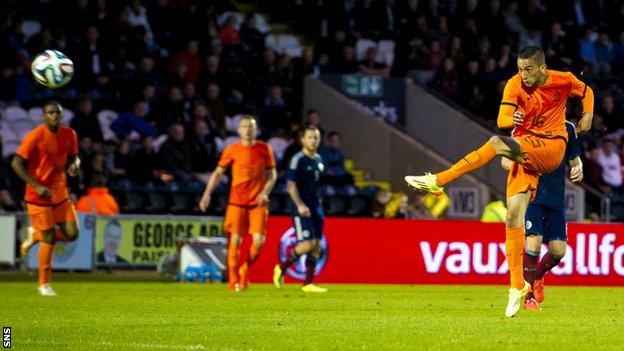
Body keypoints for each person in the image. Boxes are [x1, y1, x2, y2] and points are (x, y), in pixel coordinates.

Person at [405, 46, 593, 317]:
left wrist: (587, 114)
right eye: (520, 68)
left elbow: (586, 91)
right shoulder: (514, 86)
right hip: (526, 155)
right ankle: (517, 286)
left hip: (550, 150)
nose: (523, 75)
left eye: (529, 69)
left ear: (542, 68)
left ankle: (439, 180)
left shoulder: (561, 81)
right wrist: (512, 118)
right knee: (512, 219)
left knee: (495, 143)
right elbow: (502, 118)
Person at [507, 121, 582, 311]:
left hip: (556, 200)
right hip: (531, 195)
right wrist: (519, 160)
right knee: (534, 242)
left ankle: (538, 276)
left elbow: (575, 161)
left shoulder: (568, 129)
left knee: (558, 252)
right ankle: (528, 296)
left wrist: (577, 169)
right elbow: (504, 160)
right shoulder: (525, 125)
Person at [199, 115, 277, 292]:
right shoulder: (232, 149)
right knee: (235, 239)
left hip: (258, 201)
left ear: (255, 129)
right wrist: (207, 194)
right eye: (244, 126)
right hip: (237, 201)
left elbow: (272, 175)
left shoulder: (264, 149)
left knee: (259, 242)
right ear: (238, 130)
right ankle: (233, 279)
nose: (247, 130)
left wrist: (265, 192)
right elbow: (218, 172)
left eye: (250, 126)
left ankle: (245, 268)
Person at [11, 101, 81, 296]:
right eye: (51, 113)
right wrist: (36, 185)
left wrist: (75, 164)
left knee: (72, 234)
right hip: (38, 195)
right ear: (44, 116)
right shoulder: (34, 136)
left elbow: (75, 156)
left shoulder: (69, 134)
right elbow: (16, 163)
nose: (55, 116)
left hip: (60, 193)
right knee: (49, 237)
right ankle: (44, 284)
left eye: (58, 113)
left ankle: (35, 235)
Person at [273, 125, 328, 293]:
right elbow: (290, 185)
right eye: (310, 137)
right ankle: (281, 268)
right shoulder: (298, 159)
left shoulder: (319, 160)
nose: (313, 140)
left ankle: (308, 283)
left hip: (316, 207)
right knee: (307, 244)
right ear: (303, 139)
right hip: (301, 208)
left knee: (317, 244)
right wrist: (300, 205)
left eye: (316, 137)